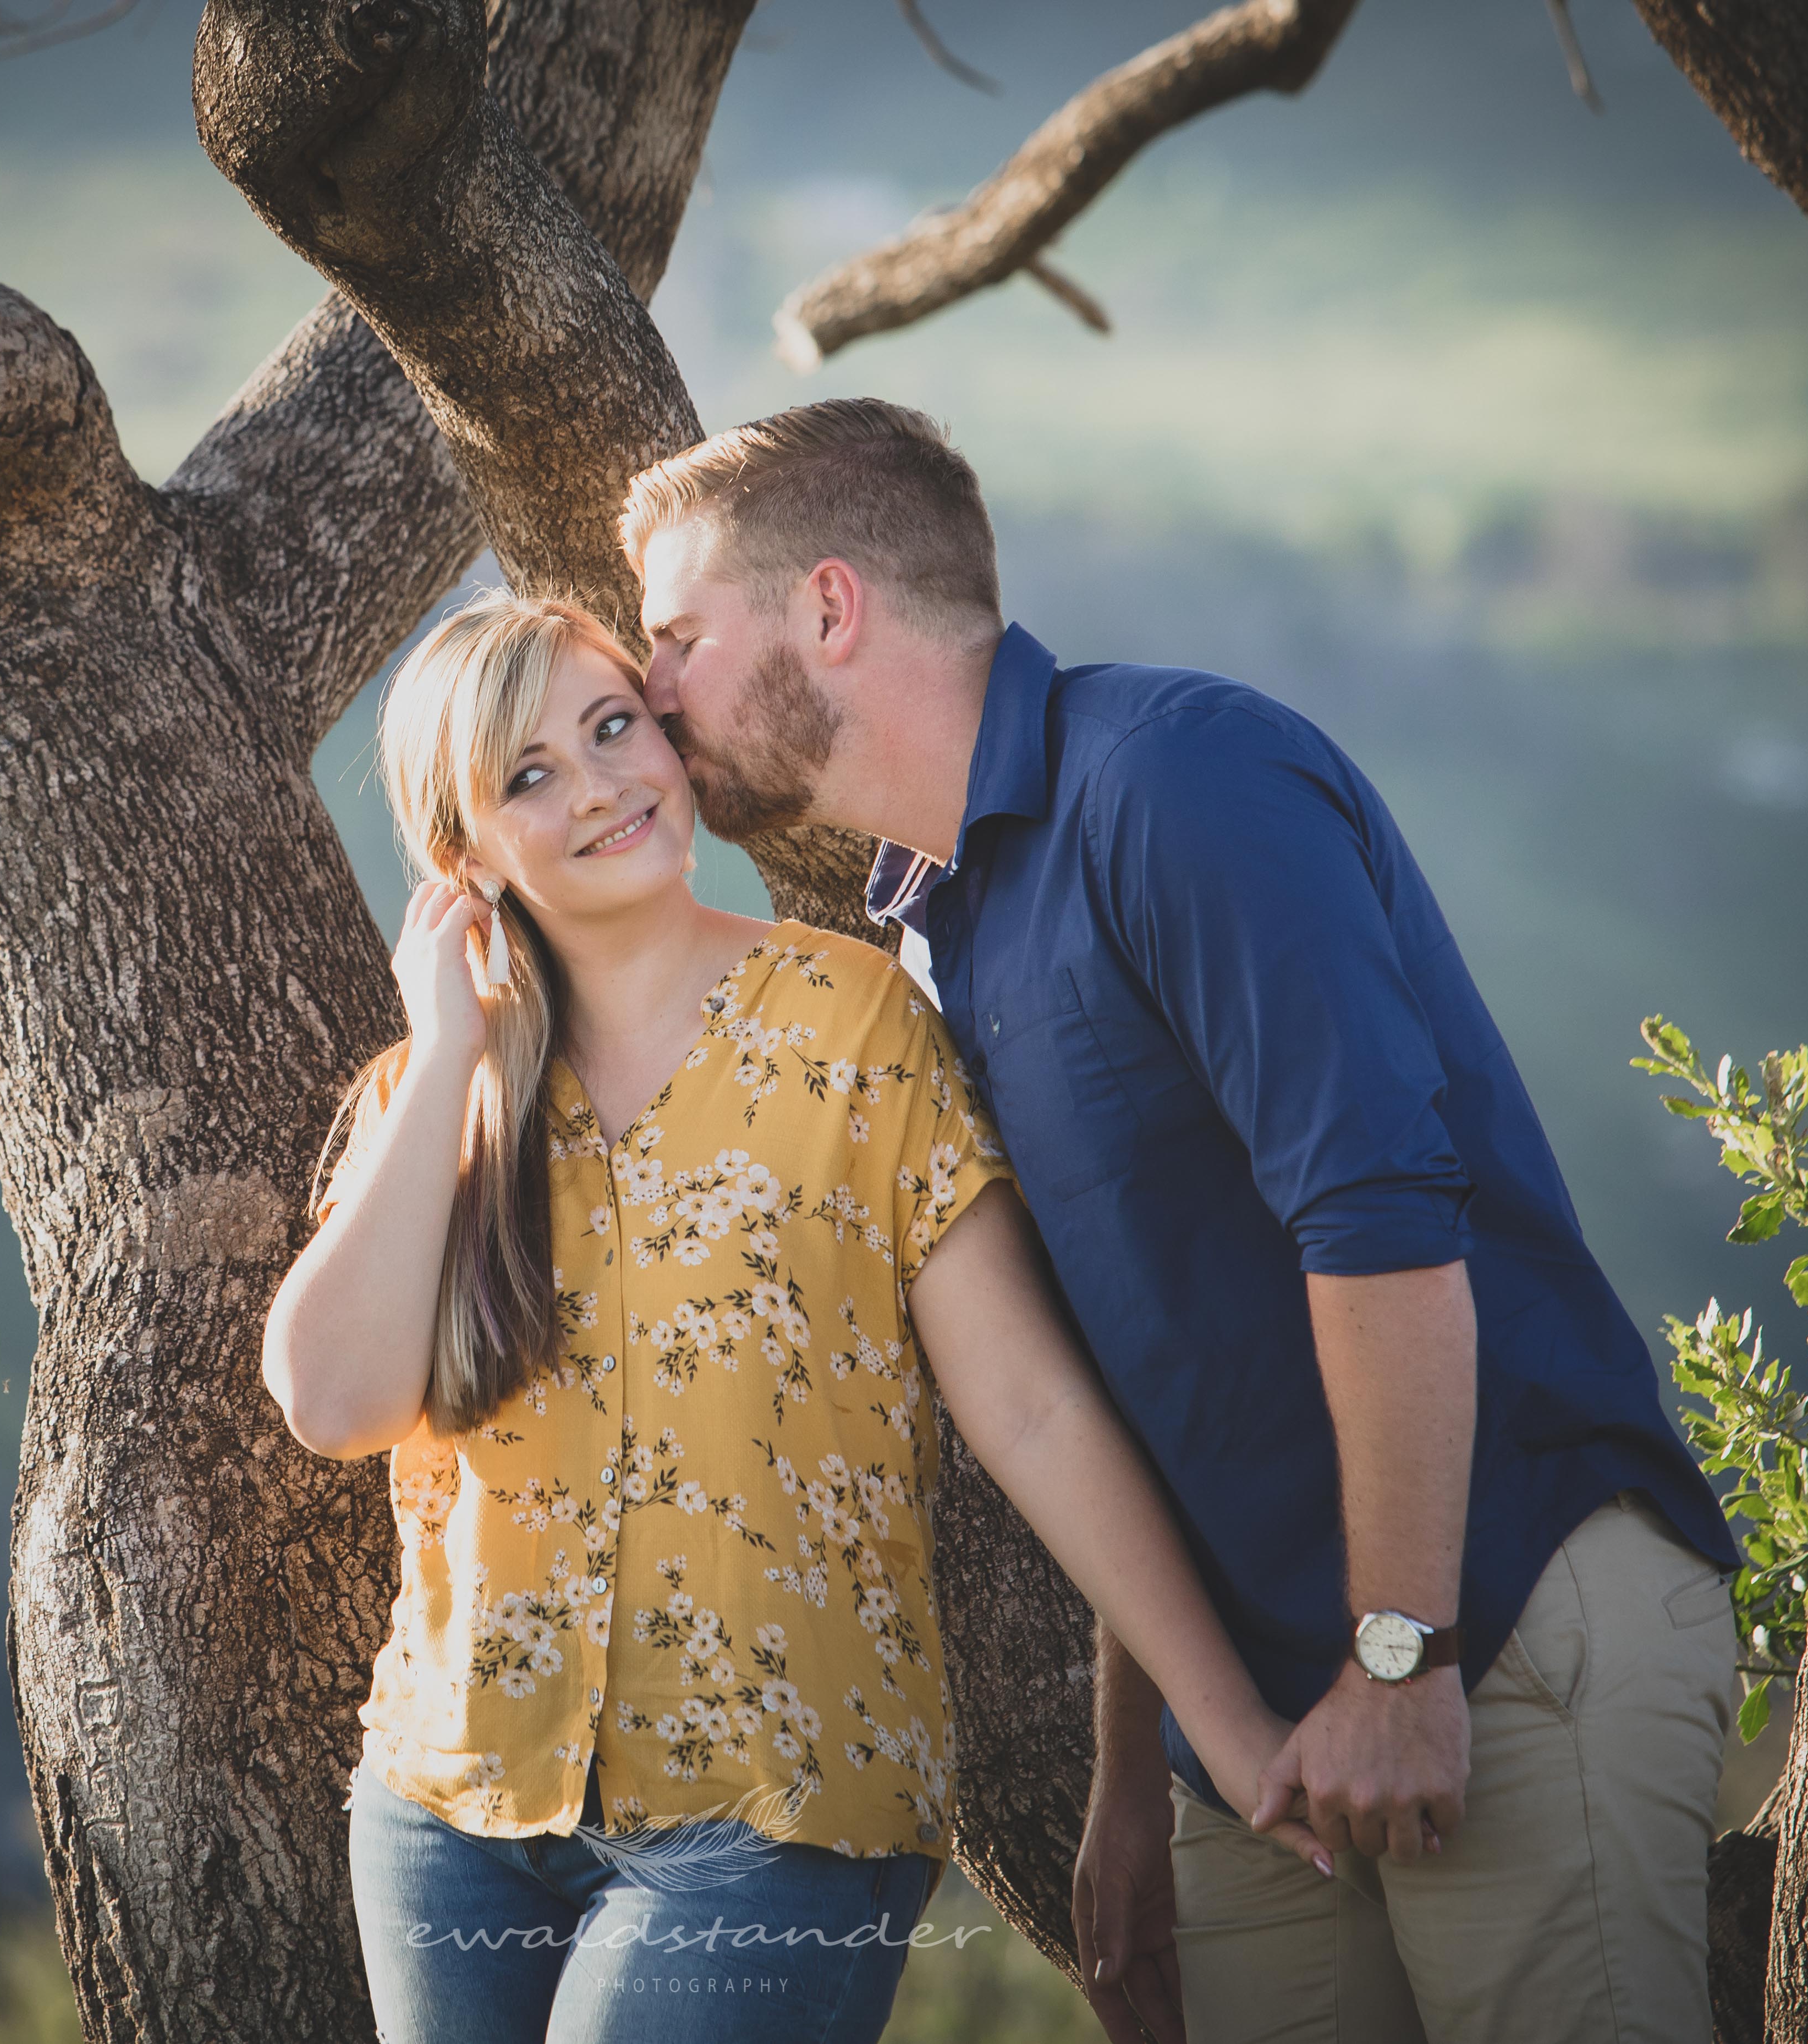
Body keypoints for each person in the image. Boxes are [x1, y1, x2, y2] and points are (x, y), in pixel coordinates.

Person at [621, 400, 1745, 2044]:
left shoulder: (1174, 779)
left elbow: (1381, 1225)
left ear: (831, 608)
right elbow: (1126, 1377)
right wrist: (1135, 1781)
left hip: (1496, 1633)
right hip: (1261, 1749)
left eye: (677, 635)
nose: (654, 689)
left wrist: (1401, 1655)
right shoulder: (935, 928)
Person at [261, 588, 1328, 2044]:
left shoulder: (853, 1022)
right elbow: (332, 1403)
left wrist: (1226, 1721)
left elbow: (1032, 1409)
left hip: (775, 1808)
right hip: (450, 1808)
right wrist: (450, 1047)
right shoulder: (429, 1099)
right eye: (530, 775)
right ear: (464, 858)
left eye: (613, 727)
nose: (600, 786)